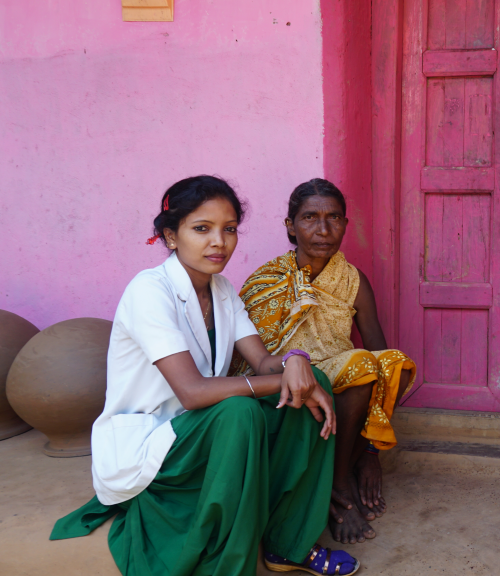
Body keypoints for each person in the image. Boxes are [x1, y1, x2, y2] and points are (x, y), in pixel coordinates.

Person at [50, 176, 360, 576]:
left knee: (313, 387)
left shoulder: (222, 290)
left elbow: (263, 361)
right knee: (239, 412)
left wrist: (297, 360)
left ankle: (288, 544)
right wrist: (286, 378)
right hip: (154, 444)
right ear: (170, 236)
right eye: (202, 229)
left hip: (199, 433)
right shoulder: (149, 291)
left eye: (228, 229)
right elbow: (193, 392)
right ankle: (224, 562)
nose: (219, 242)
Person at [231, 178, 416, 545]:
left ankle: (342, 474)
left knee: (385, 363)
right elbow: (247, 359)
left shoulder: (352, 281)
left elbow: (380, 356)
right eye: (310, 218)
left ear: (346, 224)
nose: (323, 229)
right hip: (283, 382)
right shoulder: (265, 281)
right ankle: (340, 489)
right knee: (360, 366)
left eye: (334, 218)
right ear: (290, 225)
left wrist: (371, 450)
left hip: (341, 379)